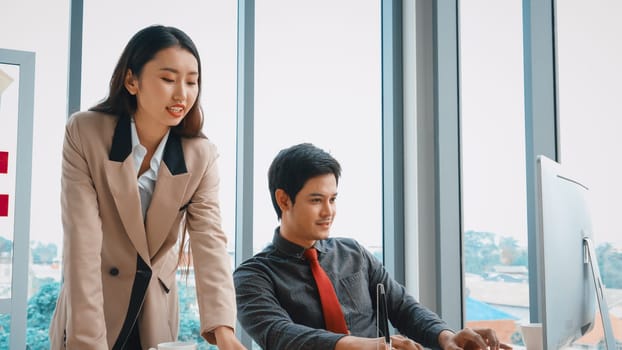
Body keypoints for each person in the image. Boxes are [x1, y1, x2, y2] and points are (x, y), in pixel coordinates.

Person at [49, 25, 245, 350]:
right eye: (168, 79)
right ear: (131, 81)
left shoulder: (201, 155)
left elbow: (210, 242)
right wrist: (86, 342)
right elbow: (82, 242)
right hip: (92, 305)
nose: (182, 94)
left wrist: (224, 331)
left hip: (154, 308)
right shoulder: (86, 133)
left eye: (192, 81)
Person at [233, 143, 512, 350]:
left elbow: (403, 308)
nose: (328, 211)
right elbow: (281, 335)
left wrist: (446, 336)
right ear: (284, 200)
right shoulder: (253, 276)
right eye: (316, 200)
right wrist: (368, 346)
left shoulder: (353, 253)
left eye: (333, 199)